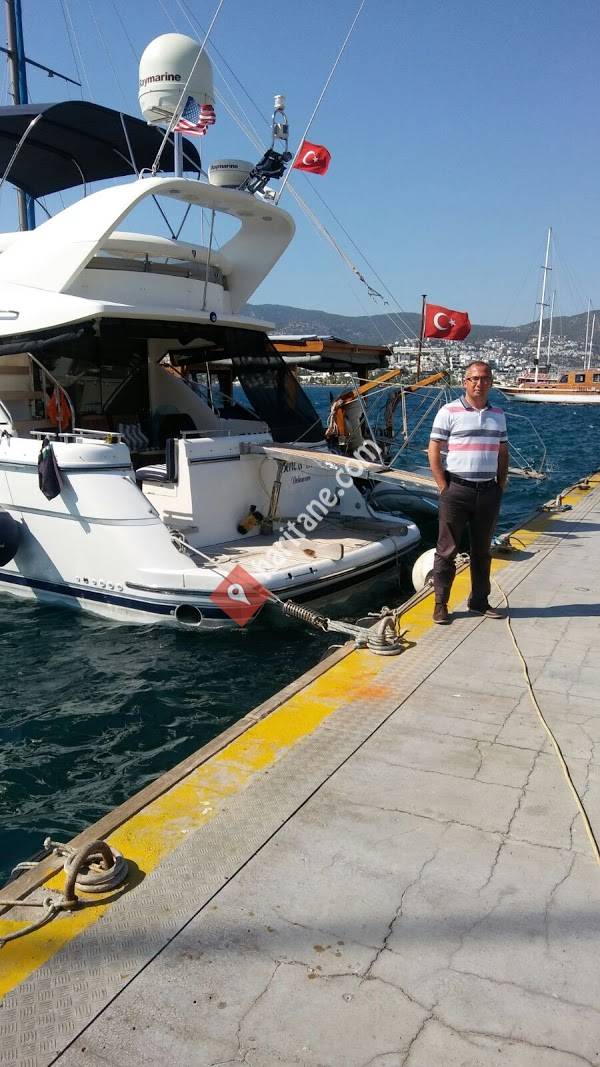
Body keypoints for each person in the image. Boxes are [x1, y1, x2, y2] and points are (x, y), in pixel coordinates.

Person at [427, 360, 508, 624]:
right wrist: (443, 486)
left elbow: (502, 452)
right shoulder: (448, 411)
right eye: (474, 378)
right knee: (446, 550)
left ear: (491, 382)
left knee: (482, 551)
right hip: (457, 490)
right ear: (465, 382)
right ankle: (441, 604)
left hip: (488, 491)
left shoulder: (498, 414)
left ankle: (479, 601)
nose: (479, 383)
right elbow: (434, 449)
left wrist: (500, 485)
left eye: (484, 378)